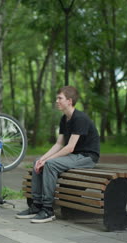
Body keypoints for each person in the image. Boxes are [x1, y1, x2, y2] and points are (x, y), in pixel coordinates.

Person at [16, 86, 100, 223]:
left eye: (60, 98)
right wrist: (42, 159)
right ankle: (37, 205)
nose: (57, 101)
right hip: (74, 155)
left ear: (69, 101)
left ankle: (48, 209)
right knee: (37, 161)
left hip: (87, 157)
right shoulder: (64, 119)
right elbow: (59, 144)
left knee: (50, 165)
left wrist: (47, 161)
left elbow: (70, 147)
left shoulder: (80, 118)